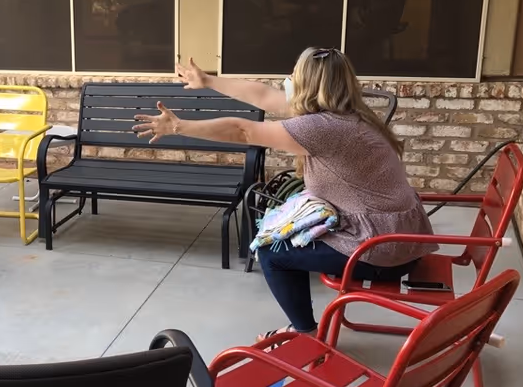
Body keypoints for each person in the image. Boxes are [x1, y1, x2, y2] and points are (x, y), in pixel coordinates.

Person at [133, 47, 437, 339]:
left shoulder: (323, 127)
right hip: (400, 239)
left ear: (308, 84)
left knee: (270, 249)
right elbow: (263, 95)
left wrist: (179, 126)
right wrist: (208, 81)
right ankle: (304, 325)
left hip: (382, 251)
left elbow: (244, 131)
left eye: (294, 74)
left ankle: (304, 331)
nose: (287, 80)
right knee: (286, 225)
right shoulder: (349, 113)